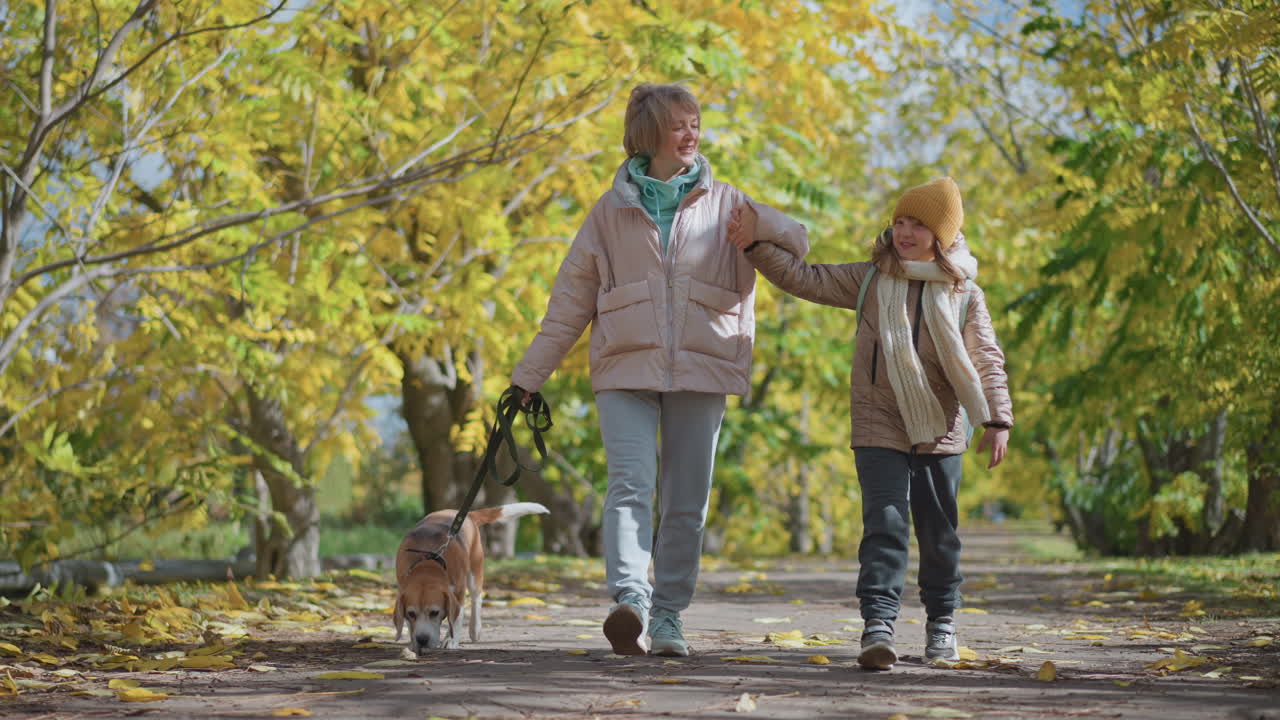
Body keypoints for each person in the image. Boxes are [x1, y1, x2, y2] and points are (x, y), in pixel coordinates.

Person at [510, 83, 808, 657]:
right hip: (626, 368)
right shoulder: (610, 211)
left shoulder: (728, 203)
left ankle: (669, 613)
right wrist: (528, 377)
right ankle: (632, 603)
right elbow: (570, 302)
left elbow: (798, 240)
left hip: (704, 366)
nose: (691, 133)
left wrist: (761, 227)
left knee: (686, 499)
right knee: (629, 485)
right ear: (649, 135)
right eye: (679, 124)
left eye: (695, 122)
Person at [725, 177, 1013, 670]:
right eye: (900, 221)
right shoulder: (871, 278)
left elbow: (984, 356)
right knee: (885, 522)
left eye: (918, 224)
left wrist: (997, 417)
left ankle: (942, 624)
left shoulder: (966, 292)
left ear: (942, 234)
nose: (904, 232)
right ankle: (877, 626)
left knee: (938, 530)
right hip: (879, 419)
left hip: (942, 422)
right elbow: (806, 278)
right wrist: (754, 245)